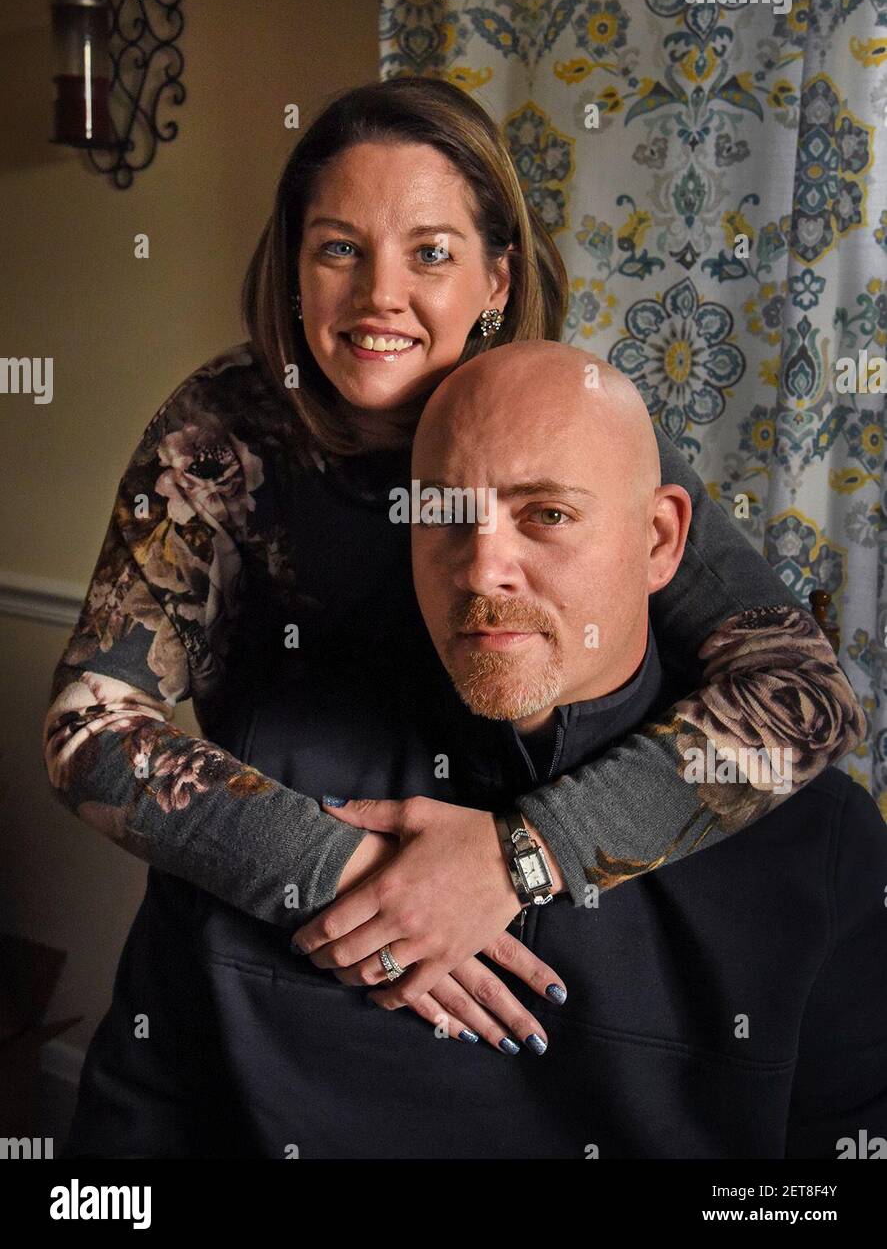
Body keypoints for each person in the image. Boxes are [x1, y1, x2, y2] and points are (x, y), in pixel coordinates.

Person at [43, 77, 865, 1041]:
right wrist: (354, 882)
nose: (378, 295)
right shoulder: (221, 433)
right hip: (279, 930)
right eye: (338, 250)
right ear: (294, 273)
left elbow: (803, 692)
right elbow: (86, 728)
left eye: (430, 252)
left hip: (571, 907)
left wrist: (520, 856)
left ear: (498, 281)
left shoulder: (568, 417)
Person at [63, 344, 886, 1160]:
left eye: (548, 515)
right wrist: (325, 869)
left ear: (661, 540)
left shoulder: (820, 844)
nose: (483, 568)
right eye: (446, 514)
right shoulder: (259, 766)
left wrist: (525, 854)